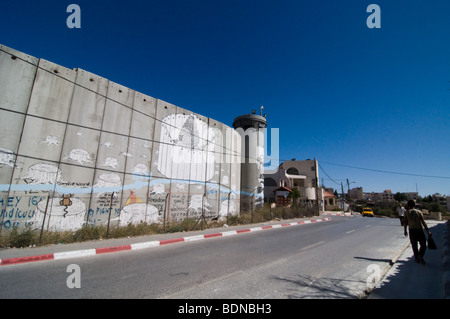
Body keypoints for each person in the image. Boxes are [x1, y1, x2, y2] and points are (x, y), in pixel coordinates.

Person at [403, 200, 431, 265]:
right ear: (414, 205)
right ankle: (421, 255)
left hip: (412, 230)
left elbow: (405, 222)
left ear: (408, 205)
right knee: (423, 244)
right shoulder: (418, 212)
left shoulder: (406, 213)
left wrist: (405, 230)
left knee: (414, 245)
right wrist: (428, 231)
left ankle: (417, 258)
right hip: (419, 230)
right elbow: (423, 222)